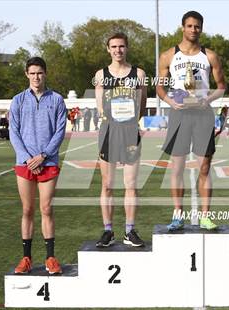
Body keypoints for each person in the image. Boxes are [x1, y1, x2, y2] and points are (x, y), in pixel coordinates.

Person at [156, 11, 226, 231]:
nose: (193, 30)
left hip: (203, 114)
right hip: (179, 114)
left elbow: (222, 86)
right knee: (177, 168)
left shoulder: (210, 56)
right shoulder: (168, 56)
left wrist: (208, 99)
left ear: (201, 29)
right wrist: (170, 101)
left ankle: (205, 216)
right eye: (189, 26)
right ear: (182, 27)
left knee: (204, 167)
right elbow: (159, 86)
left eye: (197, 26)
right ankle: (178, 215)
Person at [9, 57, 66, 274]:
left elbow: (60, 132)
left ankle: (50, 258)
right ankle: (26, 258)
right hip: (24, 163)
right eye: (32, 73)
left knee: (46, 208)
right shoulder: (18, 100)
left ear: (45, 73)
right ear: (26, 74)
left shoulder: (57, 100)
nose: (36, 77)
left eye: (39, 73)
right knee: (27, 209)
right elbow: (13, 132)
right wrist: (27, 158)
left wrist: (42, 156)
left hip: (48, 161)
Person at [94, 32, 147, 247]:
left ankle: (130, 231)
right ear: (108, 49)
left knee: (131, 185)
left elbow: (142, 105)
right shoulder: (100, 75)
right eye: (114, 47)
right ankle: (108, 231)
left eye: (121, 46)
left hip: (130, 133)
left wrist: (130, 123)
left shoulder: (139, 74)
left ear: (127, 48)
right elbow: (100, 107)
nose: (118, 50)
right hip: (108, 132)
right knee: (107, 184)